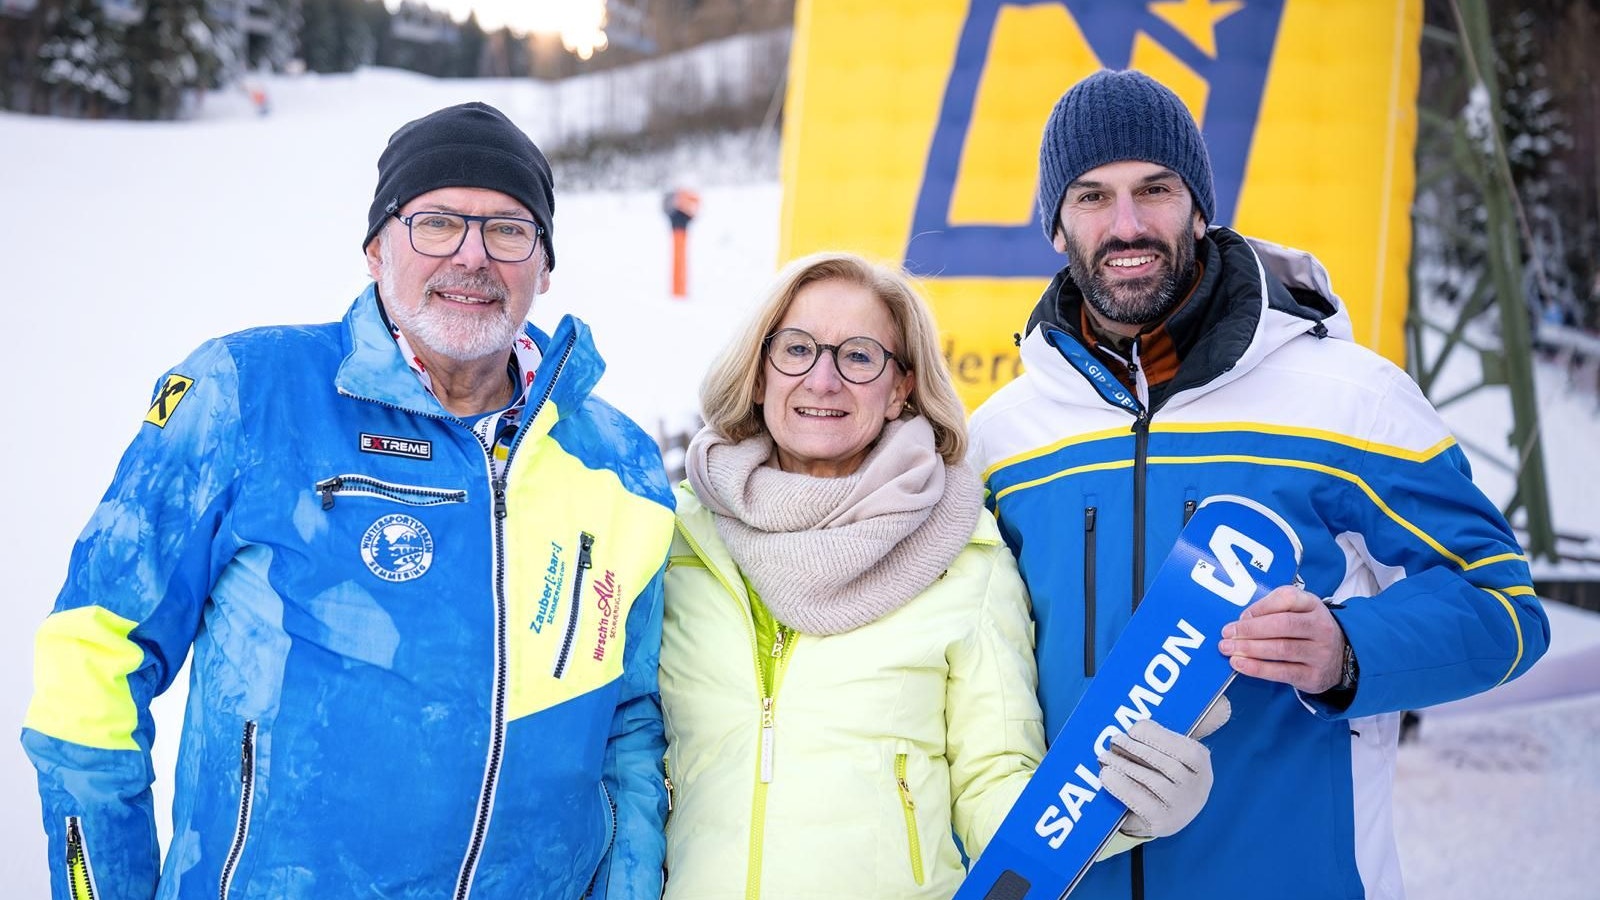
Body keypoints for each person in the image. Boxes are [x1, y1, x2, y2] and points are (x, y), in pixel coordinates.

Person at [22, 102, 675, 899]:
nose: (472, 255)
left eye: (508, 230)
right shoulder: (249, 394)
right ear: (376, 250)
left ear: (543, 267)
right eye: (437, 223)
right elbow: (95, 653)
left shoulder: (619, 462)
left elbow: (629, 730)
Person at [967, 70, 1551, 900]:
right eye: (1092, 196)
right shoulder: (1001, 438)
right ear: (1056, 226)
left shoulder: (1350, 399)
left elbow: (1504, 608)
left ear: (1200, 208)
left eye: (1155, 189)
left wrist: (1349, 650)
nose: (1126, 225)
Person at [659, 251, 1045, 898]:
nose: (823, 380)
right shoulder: (678, 538)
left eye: (859, 357)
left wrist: (1113, 806)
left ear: (900, 389)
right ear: (759, 373)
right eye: (796, 349)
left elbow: (995, 782)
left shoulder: (964, 552)